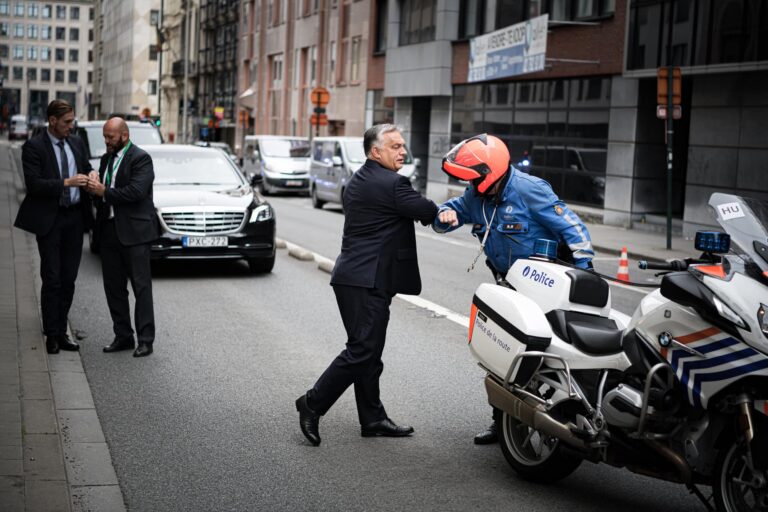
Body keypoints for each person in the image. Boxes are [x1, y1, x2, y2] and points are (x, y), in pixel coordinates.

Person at [432, 134, 595, 444]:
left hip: (546, 286)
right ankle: (502, 421)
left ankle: (571, 416)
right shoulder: (476, 196)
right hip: (508, 284)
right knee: (506, 354)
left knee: (552, 355)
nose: (469, 184)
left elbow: (574, 228)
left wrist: (585, 273)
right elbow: (447, 214)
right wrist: (443, 216)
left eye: (473, 177)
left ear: (488, 172)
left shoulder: (529, 189)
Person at [295, 124, 438, 446]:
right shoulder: (393, 184)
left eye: (403, 146)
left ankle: (372, 418)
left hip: (356, 278)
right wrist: (447, 212)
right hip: (365, 280)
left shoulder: (359, 178)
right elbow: (427, 210)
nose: (403, 151)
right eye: (395, 146)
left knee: (368, 352)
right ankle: (312, 403)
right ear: (375, 151)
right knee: (362, 351)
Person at [14, 100, 92, 354]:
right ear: (52, 121)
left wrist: (92, 174)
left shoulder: (76, 142)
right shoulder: (34, 147)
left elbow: (86, 167)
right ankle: (51, 334)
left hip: (75, 219)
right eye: (67, 122)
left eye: (73, 121)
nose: (71, 126)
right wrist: (66, 182)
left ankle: (61, 330)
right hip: (50, 220)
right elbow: (34, 184)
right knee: (52, 278)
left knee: (68, 279)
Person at [85, 117, 158, 358]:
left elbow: (136, 192)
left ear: (124, 136)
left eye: (110, 137)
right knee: (113, 288)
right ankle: (123, 335)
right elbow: (101, 195)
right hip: (109, 231)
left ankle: (145, 340)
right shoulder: (105, 160)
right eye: (105, 137)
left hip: (135, 233)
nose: (106, 141)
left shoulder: (141, 158)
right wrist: (93, 186)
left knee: (141, 288)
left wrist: (104, 191)